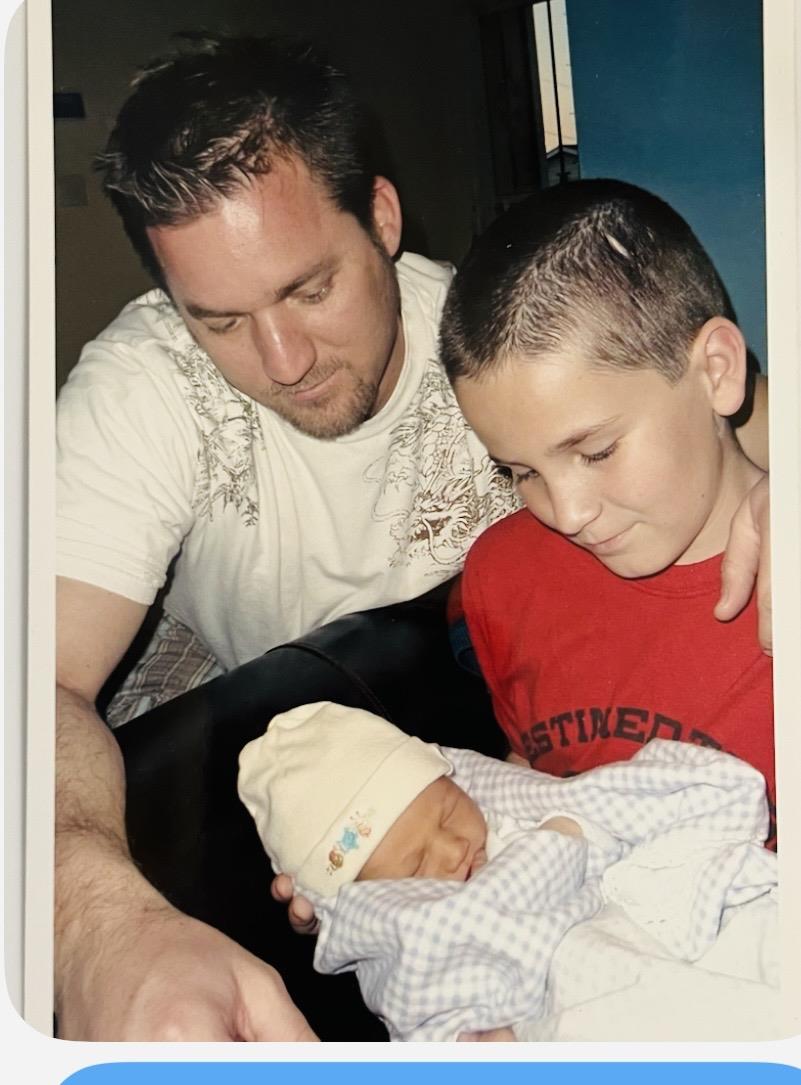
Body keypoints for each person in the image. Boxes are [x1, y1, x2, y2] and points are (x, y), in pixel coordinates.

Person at [55, 31, 770, 1041]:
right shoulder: (142, 389)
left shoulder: (495, 349)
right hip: (258, 727)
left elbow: (715, 400)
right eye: (219, 320)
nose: (283, 359)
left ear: (383, 217)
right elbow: (33, 685)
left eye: (310, 288)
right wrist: (97, 930)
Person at [439, 179, 776, 845]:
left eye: (595, 451)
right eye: (521, 471)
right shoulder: (502, 577)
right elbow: (531, 787)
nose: (566, 514)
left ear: (715, 370)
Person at [240, 702, 777, 1042]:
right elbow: (420, 985)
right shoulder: (410, 927)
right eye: (416, 863)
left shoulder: (504, 812)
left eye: (448, 813)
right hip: (565, 990)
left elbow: (593, 809)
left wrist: (572, 829)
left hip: (649, 910)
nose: (453, 849)